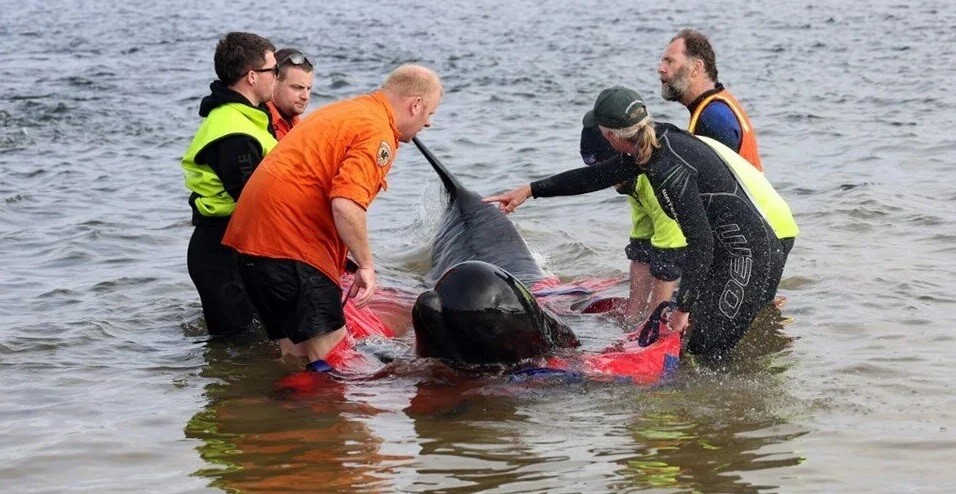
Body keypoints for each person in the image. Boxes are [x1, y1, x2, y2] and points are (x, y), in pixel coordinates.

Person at [485, 86, 798, 362]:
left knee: (703, 355)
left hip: (746, 256)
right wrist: (530, 190)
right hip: (732, 252)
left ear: (610, 136)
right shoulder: (654, 140)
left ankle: (733, 423)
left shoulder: (667, 171)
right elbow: (594, 177)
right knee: (697, 346)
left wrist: (682, 309)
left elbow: (700, 241)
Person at [222, 64, 443, 369]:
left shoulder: (348, 111)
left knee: (296, 356)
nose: (428, 123)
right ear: (415, 105)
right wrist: (366, 265)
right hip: (292, 249)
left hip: (250, 248)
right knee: (337, 362)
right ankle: (332, 414)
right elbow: (346, 203)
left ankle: (283, 411)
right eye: (430, 113)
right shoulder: (377, 130)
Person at [180, 32, 278, 336]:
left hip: (235, 246)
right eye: (274, 71)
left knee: (257, 342)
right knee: (236, 348)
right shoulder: (233, 131)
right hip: (221, 253)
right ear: (251, 76)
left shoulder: (247, 117)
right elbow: (253, 202)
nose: (277, 77)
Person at [580, 122, 686, 325]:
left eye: (607, 173)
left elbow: (669, 260)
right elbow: (641, 250)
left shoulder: (657, 180)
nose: (608, 183)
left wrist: (651, 325)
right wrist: (632, 320)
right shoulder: (633, 182)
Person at [658, 28, 763, 170]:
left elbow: (718, 187)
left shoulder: (713, 119)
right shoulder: (717, 105)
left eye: (669, 62)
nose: (661, 69)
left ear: (696, 68)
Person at [266, 48, 315, 140]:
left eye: (308, 88)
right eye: (297, 87)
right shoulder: (262, 122)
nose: (305, 96)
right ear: (274, 82)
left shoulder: (297, 122)